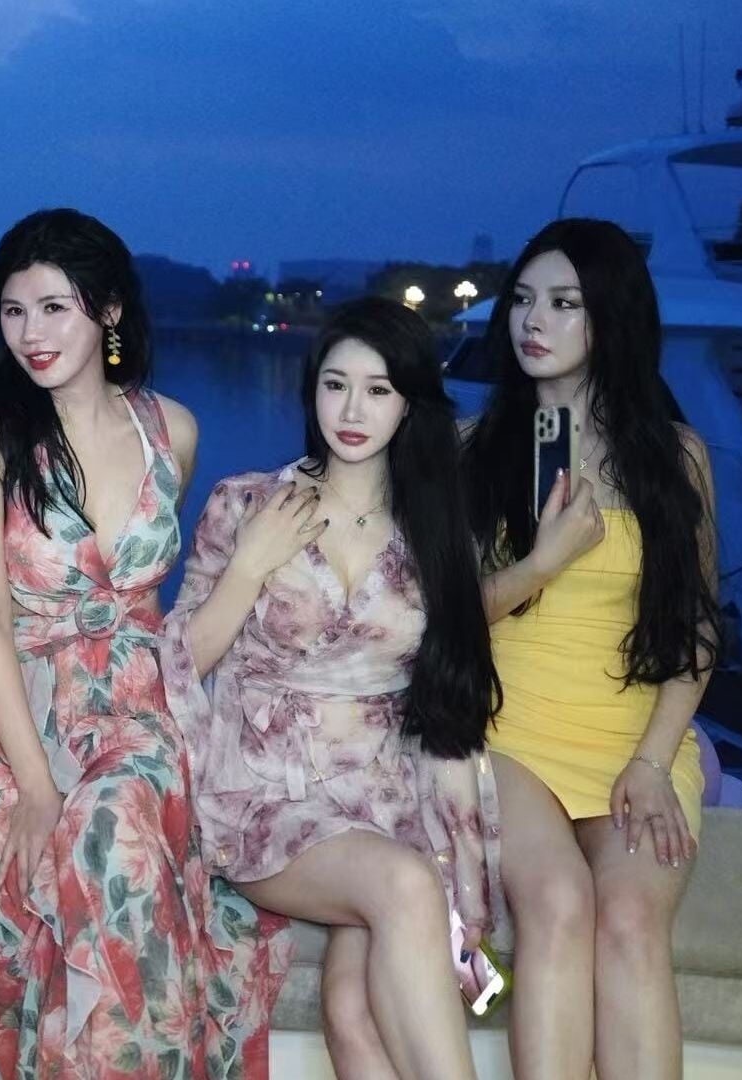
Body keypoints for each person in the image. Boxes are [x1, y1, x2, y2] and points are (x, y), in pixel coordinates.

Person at [0, 208, 272, 1079]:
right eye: (14, 311)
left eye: (56, 308)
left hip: (134, 706)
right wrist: (36, 786)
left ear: (110, 310)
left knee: (112, 825)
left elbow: (144, 603)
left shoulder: (173, 431)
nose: (32, 334)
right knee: (81, 836)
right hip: (17, 703)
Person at [163, 299, 503, 1079]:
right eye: (336, 385)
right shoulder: (247, 502)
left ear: (409, 403)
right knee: (404, 885)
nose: (352, 411)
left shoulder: (438, 529)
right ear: (311, 389)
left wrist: (470, 876)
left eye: (378, 390)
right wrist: (250, 566)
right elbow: (181, 662)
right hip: (262, 794)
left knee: (354, 1016)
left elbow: (449, 708)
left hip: (385, 798)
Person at [461, 218, 721, 1080]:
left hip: (635, 740)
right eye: (523, 300)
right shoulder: (474, 449)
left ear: (611, 317)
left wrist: (653, 762)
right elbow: (444, 622)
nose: (534, 320)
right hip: (508, 734)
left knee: (633, 922)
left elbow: (696, 628)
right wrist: (540, 565)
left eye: (564, 303)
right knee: (559, 903)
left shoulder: (676, 457)